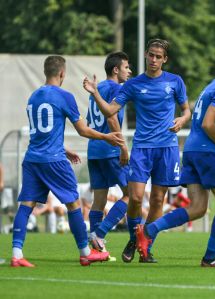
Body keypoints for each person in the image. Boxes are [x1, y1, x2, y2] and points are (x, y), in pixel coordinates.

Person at [135, 53, 215, 267]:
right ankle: (210, 257)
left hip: (191, 150)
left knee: (198, 208)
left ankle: (148, 230)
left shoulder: (213, 84)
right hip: (206, 152)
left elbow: (204, 125)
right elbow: (208, 124)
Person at [83, 38, 191, 263]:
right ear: (146, 55)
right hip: (141, 148)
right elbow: (110, 110)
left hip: (167, 148)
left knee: (159, 200)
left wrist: (182, 119)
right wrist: (94, 93)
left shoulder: (175, 81)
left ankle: (143, 243)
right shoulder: (132, 85)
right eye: (150, 55)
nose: (153, 60)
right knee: (135, 198)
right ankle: (135, 236)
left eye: (158, 57)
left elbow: (186, 110)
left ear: (164, 60)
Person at [11, 55, 124, 267]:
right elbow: (82, 130)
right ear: (62, 73)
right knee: (73, 203)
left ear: (46, 72)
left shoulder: (33, 97)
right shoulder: (65, 96)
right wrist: (106, 136)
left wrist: (64, 149)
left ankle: (17, 254)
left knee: (26, 205)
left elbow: (42, 134)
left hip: (32, 159)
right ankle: (85, 252)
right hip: (53, 161)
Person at [85, 52, 132, 255]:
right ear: (116, 69)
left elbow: (89, 121)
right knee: (132, 194)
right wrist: (123, 146)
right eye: (127, 67)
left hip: (94, 150)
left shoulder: (96, 89)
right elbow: (112, 119)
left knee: (99, 200)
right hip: (110, 149)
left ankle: (95, 249)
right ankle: (100, 234)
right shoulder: (114, 88)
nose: (129, 71)